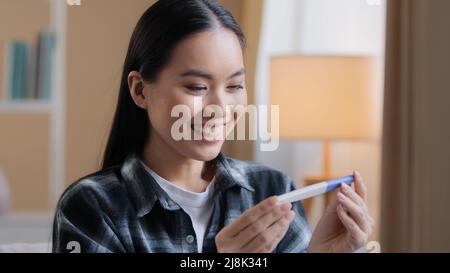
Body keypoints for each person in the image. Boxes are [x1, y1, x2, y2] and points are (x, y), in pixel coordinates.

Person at [52, 0, 374, 253]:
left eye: (234, 86)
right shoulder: (92, 207)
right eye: (196, 87)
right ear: (140, 90)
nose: (221, 108)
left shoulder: (272, 191)